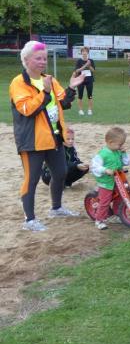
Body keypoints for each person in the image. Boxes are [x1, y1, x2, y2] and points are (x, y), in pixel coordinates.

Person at [10, 41, 84, 231]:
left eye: (44, 58)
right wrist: (45, 91)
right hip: (32, 140)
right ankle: (29, 220)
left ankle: (56, 208)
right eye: (38, 58)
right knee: (32, 179)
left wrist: (71, 88)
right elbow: (27, 109)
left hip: (54, 136)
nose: (43, 62)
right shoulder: (19, 83)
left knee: (60, 173)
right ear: (26, 60)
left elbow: (63, 103)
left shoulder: (49, 79)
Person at [89, 127, 130, 230]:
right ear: (111, 142)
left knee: (120, 197)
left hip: (118, 180)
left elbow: (127, 162)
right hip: (106, 182)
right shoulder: (102, 154)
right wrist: (105, 170)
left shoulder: (117, 151)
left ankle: (116, 215)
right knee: (105, 202)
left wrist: (124, 153)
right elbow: (94, 167)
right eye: (120, 144)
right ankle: (99, 220)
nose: (121, 146)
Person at [73, 46, 95, 116]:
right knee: (80, 96)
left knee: (90, 96)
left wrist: (89, 66)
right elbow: (77, 71)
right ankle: (80, 110)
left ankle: (90, 110)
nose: (84, 53)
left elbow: (93, 70)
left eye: (86, 51)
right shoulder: (79, 61)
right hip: (81, 80)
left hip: (89, 80)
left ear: (88, 53)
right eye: (83, 51)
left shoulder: (91, 60)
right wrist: (85, 65)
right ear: (81, 53)